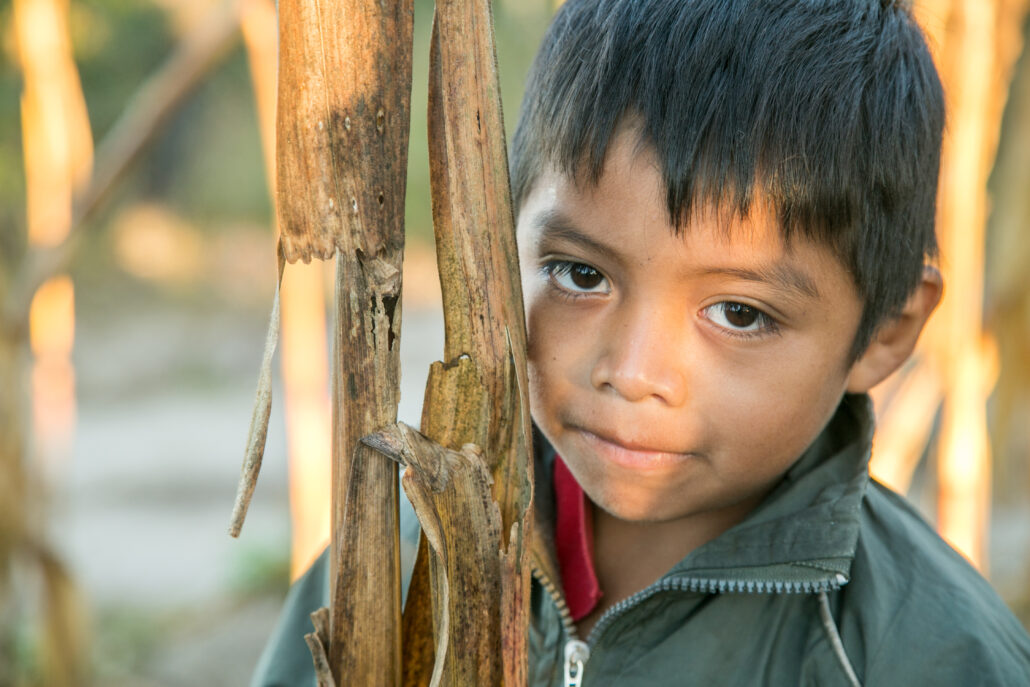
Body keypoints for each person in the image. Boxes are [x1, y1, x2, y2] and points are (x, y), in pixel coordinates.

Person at [252, 0, 1030, 684]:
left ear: (885, 332)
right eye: (581, 274)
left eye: (739, 314)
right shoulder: (410, 545)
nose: (631, 373)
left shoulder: (925, 657)